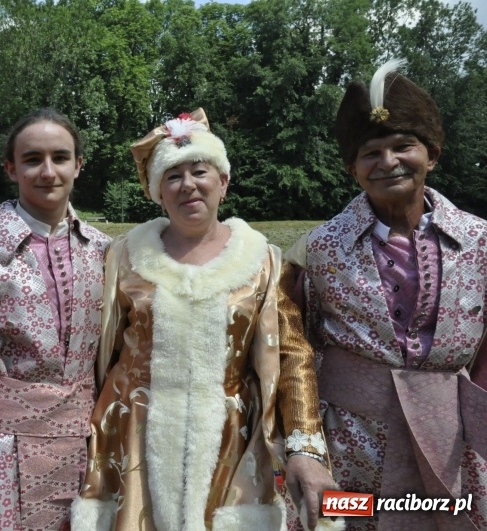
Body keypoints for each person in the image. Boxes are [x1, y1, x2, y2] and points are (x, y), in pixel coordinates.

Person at [71, 109, 339, 530]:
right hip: (133, 431)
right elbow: (99, 348)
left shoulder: (263, 260)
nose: (188, 185)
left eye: (200, 171)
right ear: (158, 191)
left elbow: (291, 356)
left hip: (230, 436)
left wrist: (306, 447)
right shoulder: (124, 257)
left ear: (223, 182)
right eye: (172, 176)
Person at [285, 59, 487, 530]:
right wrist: (305, 449)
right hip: (350, 446)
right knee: (354, 520)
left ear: (432, 154)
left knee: (453, 519)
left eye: (403, 146)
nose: (388, 162)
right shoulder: (318, 250)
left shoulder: (482, 243)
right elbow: (295, 354)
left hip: (455, 443)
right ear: (351, 167)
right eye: (371, 152)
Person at [0, 108, 111, 530]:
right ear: (11, 168)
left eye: (60, 157)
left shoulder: (105, 251)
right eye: (32, 159)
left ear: (78, 165)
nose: (47, 171)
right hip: (3, 453)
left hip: (87, 450)